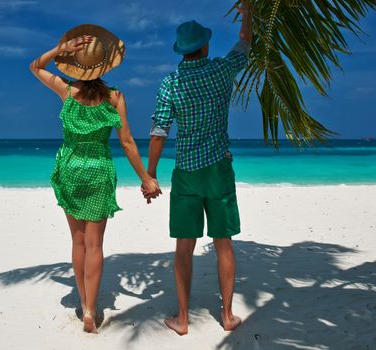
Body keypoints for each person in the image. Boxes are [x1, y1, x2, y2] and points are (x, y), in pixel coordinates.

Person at [30, 24, 159, 334]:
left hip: (71, 167)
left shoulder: (66, 91)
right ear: (103, 66)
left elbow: (35, 66)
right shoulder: (115, 97)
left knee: (77, 241)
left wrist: (60, 50)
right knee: (95, 244)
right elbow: (127, 142)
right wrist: (146, 178)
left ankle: (85, 304)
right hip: (99, 167)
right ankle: (90, 311)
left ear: (76, 65)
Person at [144, 1, 253, 336]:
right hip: (219, 167)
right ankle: (229, 315)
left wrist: (150, 175)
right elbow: (245, 42)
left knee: (184, 247)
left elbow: (159, 132)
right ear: (204, 46)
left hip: (187, 171)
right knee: (224, 243)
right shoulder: (221, 70)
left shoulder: (170, 84)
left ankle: (183, 319)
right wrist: (248, 13)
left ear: (182, 50)